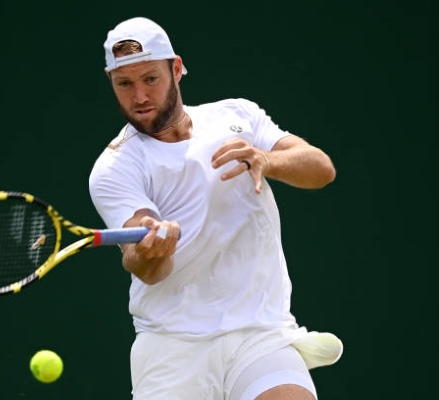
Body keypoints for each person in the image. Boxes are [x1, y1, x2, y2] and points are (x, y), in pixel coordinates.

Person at [88, 16, 343, 400]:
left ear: (176, 69)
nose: (139, 96)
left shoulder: (237, 116)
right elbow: (146, 266)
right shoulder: (114, 168)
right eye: (124, 84)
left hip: (260, 334)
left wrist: (267, 160)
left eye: (150, 79)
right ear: (111, 81)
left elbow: (321, 170)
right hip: (173, 347)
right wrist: (151, 252)